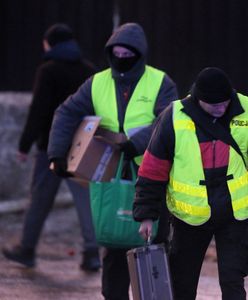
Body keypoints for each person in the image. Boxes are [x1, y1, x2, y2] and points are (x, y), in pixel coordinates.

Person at [47, 22, 178, 300]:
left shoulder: (160, 82)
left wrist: (137, 143)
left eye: (127, 53)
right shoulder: (98, 82)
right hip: (110, 174)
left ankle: (153, 294)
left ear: (139, 54)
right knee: (114, 243)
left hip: (152, 175)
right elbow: (67, 112)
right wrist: (58, 153)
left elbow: (167, 120)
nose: (121, 56)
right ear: (109, 52)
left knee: (151, 244)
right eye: (116, 51)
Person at [133, 67, 248, 300]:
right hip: (189, 217)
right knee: (182, 285)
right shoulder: (174, 116)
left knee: (233, 282)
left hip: (236, 214)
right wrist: (146, 214)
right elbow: (153, 168)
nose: (221, 108)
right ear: (199, 100)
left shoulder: (245, 110)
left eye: (225, 103)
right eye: (214, 105)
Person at [2, 23, 101, 271]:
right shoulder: (88, 70)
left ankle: (27, 249)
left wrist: (24, 145)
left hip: (51, 146)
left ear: (50, 43)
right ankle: (92, 253)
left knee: (40, 199)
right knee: (85, 201)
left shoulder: (48, 70)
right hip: (81, 145)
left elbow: (39, 110)